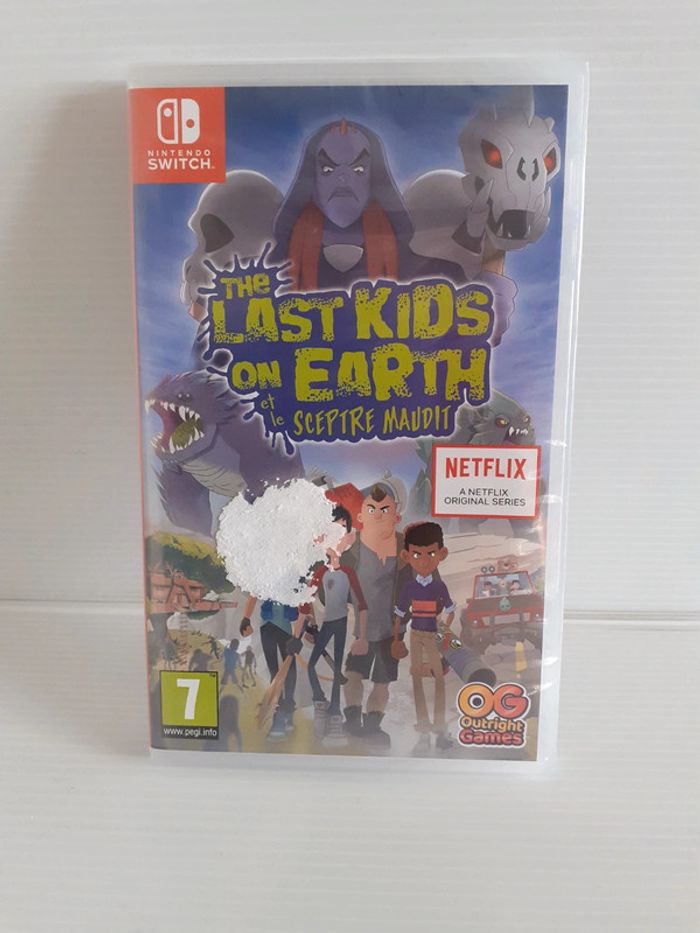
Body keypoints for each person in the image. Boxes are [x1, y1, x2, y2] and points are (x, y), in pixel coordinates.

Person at [271, 119, 462, 292]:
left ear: (375, 179)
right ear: (311, 179)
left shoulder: (434, 274)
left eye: (358, 169)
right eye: (328, 169)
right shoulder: (270, 270)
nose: (343, 178)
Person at [340, 479, 412, 747]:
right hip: (363, 628)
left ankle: (372, 727)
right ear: (361, 515)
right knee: (353, 673)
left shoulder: (406, 548)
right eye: (371, 509)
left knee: (382, 681)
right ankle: (352, 721)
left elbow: (422, 580)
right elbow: (334, 578)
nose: (378, 515)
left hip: (393, 631)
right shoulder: (352, 546)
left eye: (385, 510)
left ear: (396, 515)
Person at [303, 505, 367, 744]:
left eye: (341, 531)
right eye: (330, 531)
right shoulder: (319, 570)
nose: (335, 538)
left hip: (340, 623)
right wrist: (308, 624)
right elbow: (306, 598)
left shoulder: (349, 571)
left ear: (349, 537)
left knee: (338, 668)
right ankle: (320, 702)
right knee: (312, 665)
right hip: (326, 623)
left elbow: (362, 604)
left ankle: (335, 715)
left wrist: (361, 636)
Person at [393, 521, 456, 751]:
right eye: (416, 554)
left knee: (438, 676)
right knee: (417, 677)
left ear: (441, 554)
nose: (424, 560)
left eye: (430, 553)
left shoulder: (439, 586)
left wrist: (444, 631)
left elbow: (450, 610)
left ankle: (439, 727)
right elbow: (399, 613)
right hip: (415, 635)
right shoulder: (409, 587)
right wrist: (396, 640)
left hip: (432, 634)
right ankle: (423, 727)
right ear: (406, 556)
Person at [240, 598, 300, 740]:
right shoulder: (265, 582)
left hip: (285, 626)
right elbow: (254, 593)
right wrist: (246, 618)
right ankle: (279, 714)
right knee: (274, 671)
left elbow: (304, 599)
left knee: (289, 668)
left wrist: (307, 627)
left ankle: (288, 709)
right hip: (267, 625)